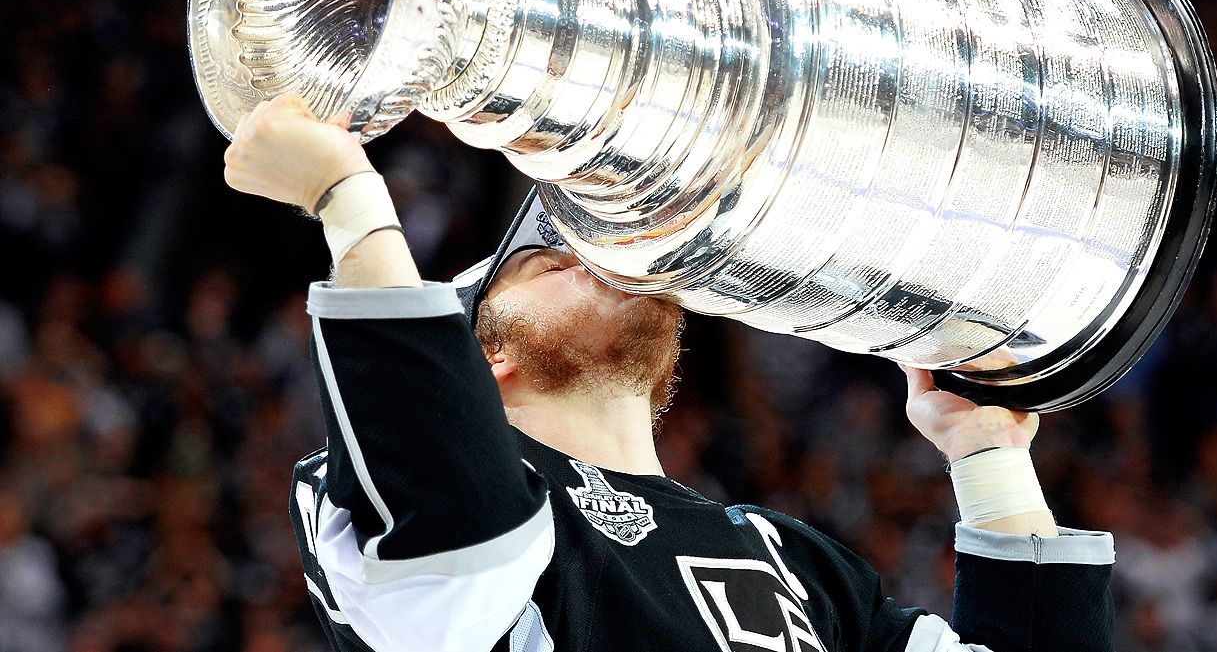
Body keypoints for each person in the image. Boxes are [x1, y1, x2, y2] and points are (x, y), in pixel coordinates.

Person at [224, 94, 1116, 652]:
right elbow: (446, 540)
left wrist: (987, 450)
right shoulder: (381, 505)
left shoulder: (797, 559)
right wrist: (350, 199)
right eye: (547, 260)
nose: (588, 248)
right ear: (481, 360)